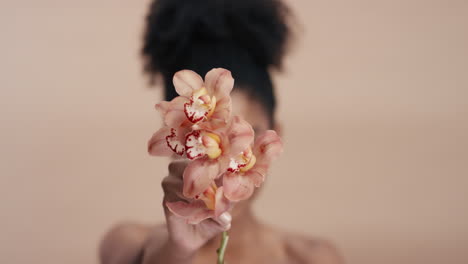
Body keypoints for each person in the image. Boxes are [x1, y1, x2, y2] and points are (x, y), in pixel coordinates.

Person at [99, 0, 344, 263]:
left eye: (244, 137)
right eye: (203, 138)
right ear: (175, 141)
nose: (224, 165)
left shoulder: (310, 257)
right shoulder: (132, 246)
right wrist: (177, 250)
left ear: (274, 137)